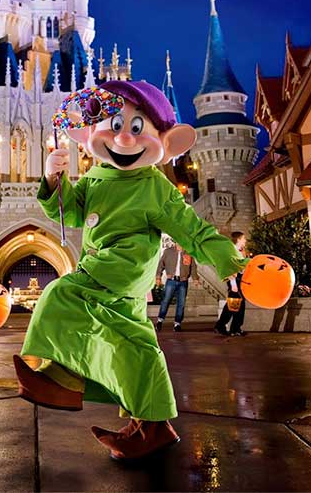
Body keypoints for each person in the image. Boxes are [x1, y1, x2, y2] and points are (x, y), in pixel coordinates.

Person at [16, 80, 243, 461]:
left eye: (137, 129)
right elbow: (68, 212)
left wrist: (232, 263)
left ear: (164, 142)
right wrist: (54, 178)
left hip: (120, 268)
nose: (123, 139)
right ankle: (150, 426)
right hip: (105, 268)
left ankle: (59, 379)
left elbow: (193, 230)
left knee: (61, 293)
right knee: (134, 348)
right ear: (90, 133)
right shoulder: (94, 177)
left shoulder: (155, 186)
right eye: (115, 125)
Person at [155, 241, 194, 332]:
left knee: (181, 303)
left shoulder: (188, 252)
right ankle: (160, 321)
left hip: (183, 281)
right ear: (175, 242)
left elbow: (193, 266)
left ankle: (177, 324)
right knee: (165, 301)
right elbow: (161, 265)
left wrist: (195, 278)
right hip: (171, 281)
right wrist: (158, 277)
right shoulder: (168, 252)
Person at [214, 231, 248, 336]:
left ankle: (235, 328)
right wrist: (233, 284)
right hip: (235, 281)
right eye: (243, 239)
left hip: (239, 280)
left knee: (238, 305)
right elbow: (230, 268)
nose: (245, 241)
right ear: (238, 239)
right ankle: (221, 326)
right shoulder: (232, 251)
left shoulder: (239, 251)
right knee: (233, 305)